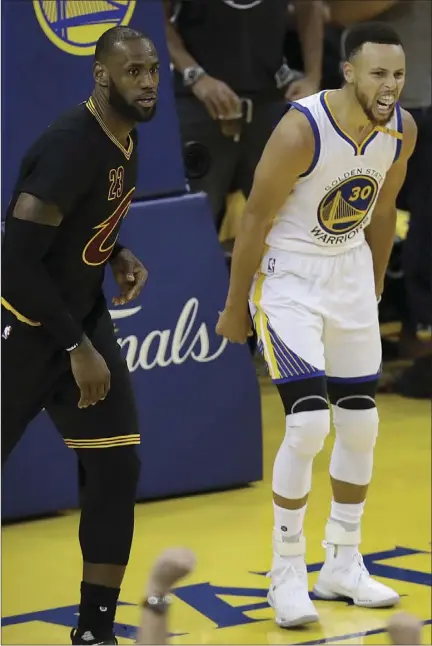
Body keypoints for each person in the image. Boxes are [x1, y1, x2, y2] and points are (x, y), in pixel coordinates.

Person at [216, 22, 417, 627]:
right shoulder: (301, 128)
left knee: (361, 427)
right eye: (378, 73)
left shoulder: (402, 129)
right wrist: (233, 306)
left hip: (349, 273)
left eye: (399, 74)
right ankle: (285, 573)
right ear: (349, 71)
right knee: (306, 426)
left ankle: (342, 563)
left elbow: (382, 207)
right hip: (290, 278)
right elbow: (252, 219)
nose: (390, 85)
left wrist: (375, 282)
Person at [1, 26, 160, 645]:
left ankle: (95, 631)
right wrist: (76, 346)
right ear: (102, 75)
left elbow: (80, 218)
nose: (147, 83)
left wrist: (114, 250)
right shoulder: (70, 144)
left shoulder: (124, 135)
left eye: (152, 70)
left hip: (76, 320)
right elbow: (16, 259)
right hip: (24, 328)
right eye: (133, 72)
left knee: (116, 470)